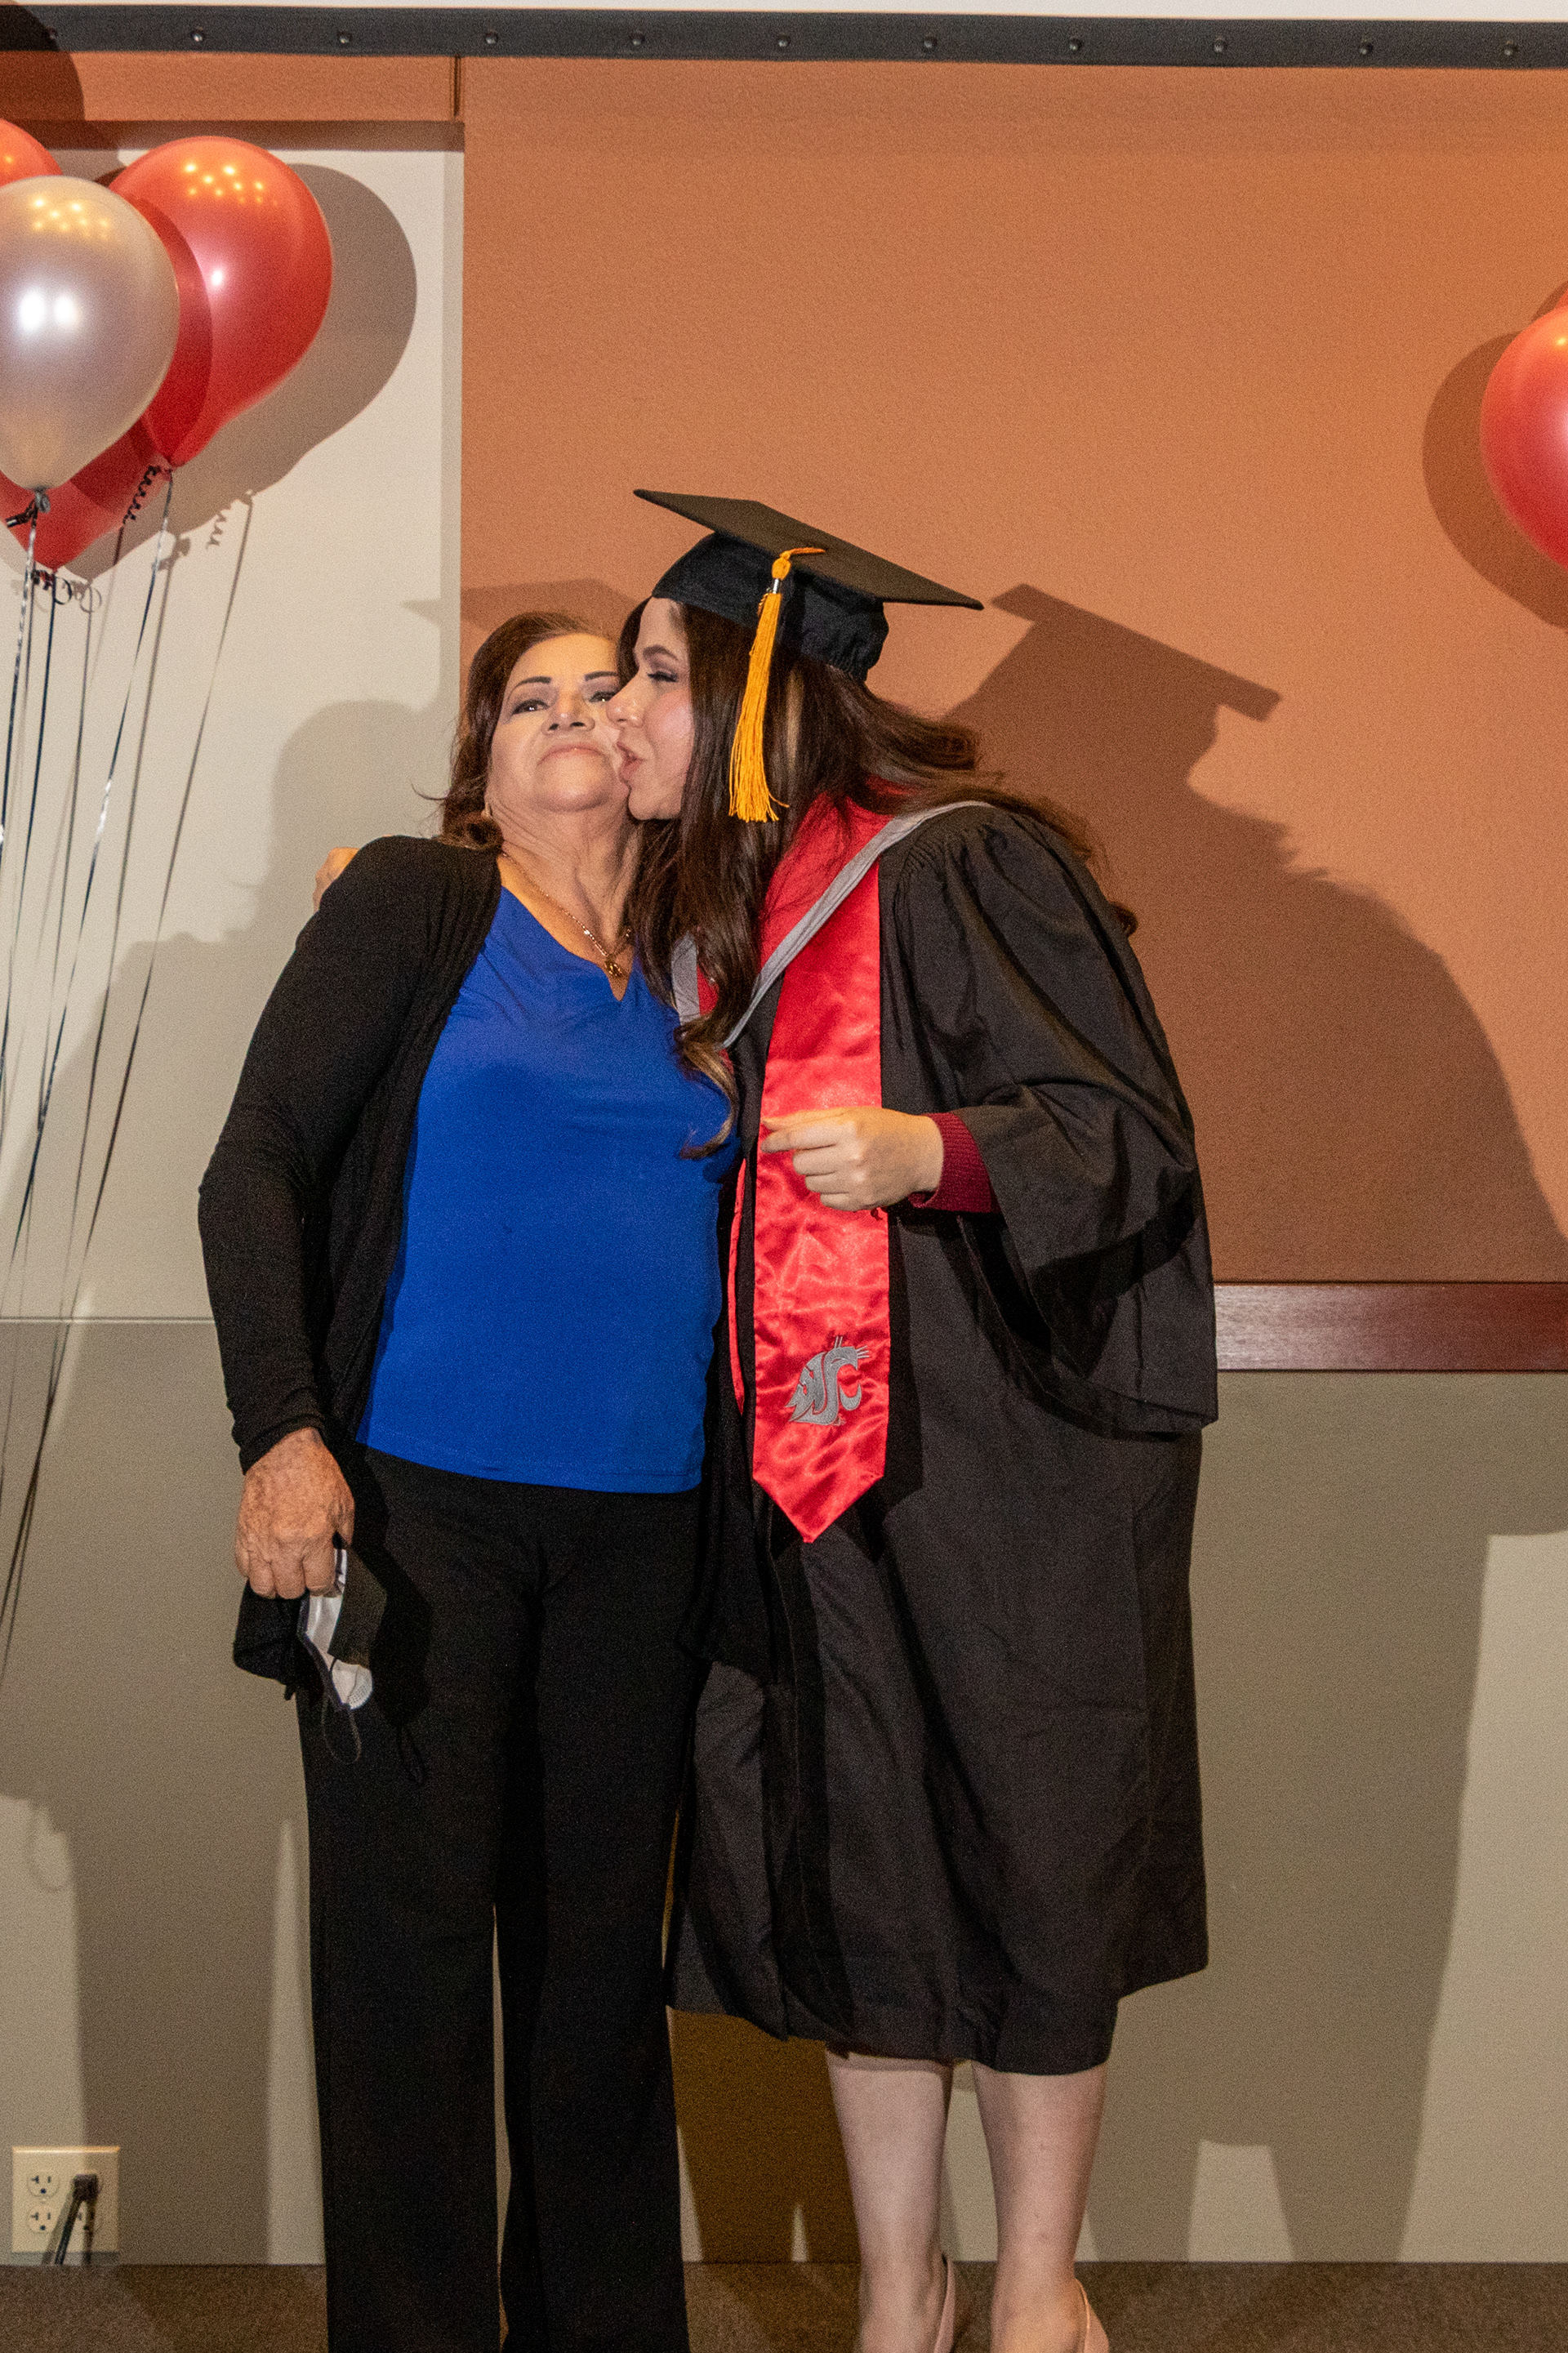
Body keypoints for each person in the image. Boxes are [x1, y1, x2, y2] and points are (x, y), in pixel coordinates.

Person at [606, 497, 1219, 2353]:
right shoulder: (719, 921)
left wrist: (926, 1149)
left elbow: (1128, 1136)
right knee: (852, 1861)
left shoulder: (966, 865)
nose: (625, 710)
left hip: (996, 1463)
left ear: (758, 695)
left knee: (1027, 1848)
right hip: (799, 1480)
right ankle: (905, 2287)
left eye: (655, 674)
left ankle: (1035, 2285)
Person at [198, 613, 733, 2353]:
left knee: (599, 1980)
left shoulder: (713, 953)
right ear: (482, 764)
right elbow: (255, 1164)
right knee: (409, 1971)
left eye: (604, 689)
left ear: (651, 748)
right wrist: (282, 1431)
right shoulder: (417, 904)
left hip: (645, 1530)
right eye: (528, 698)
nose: (573, 713)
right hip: (417, 1515)